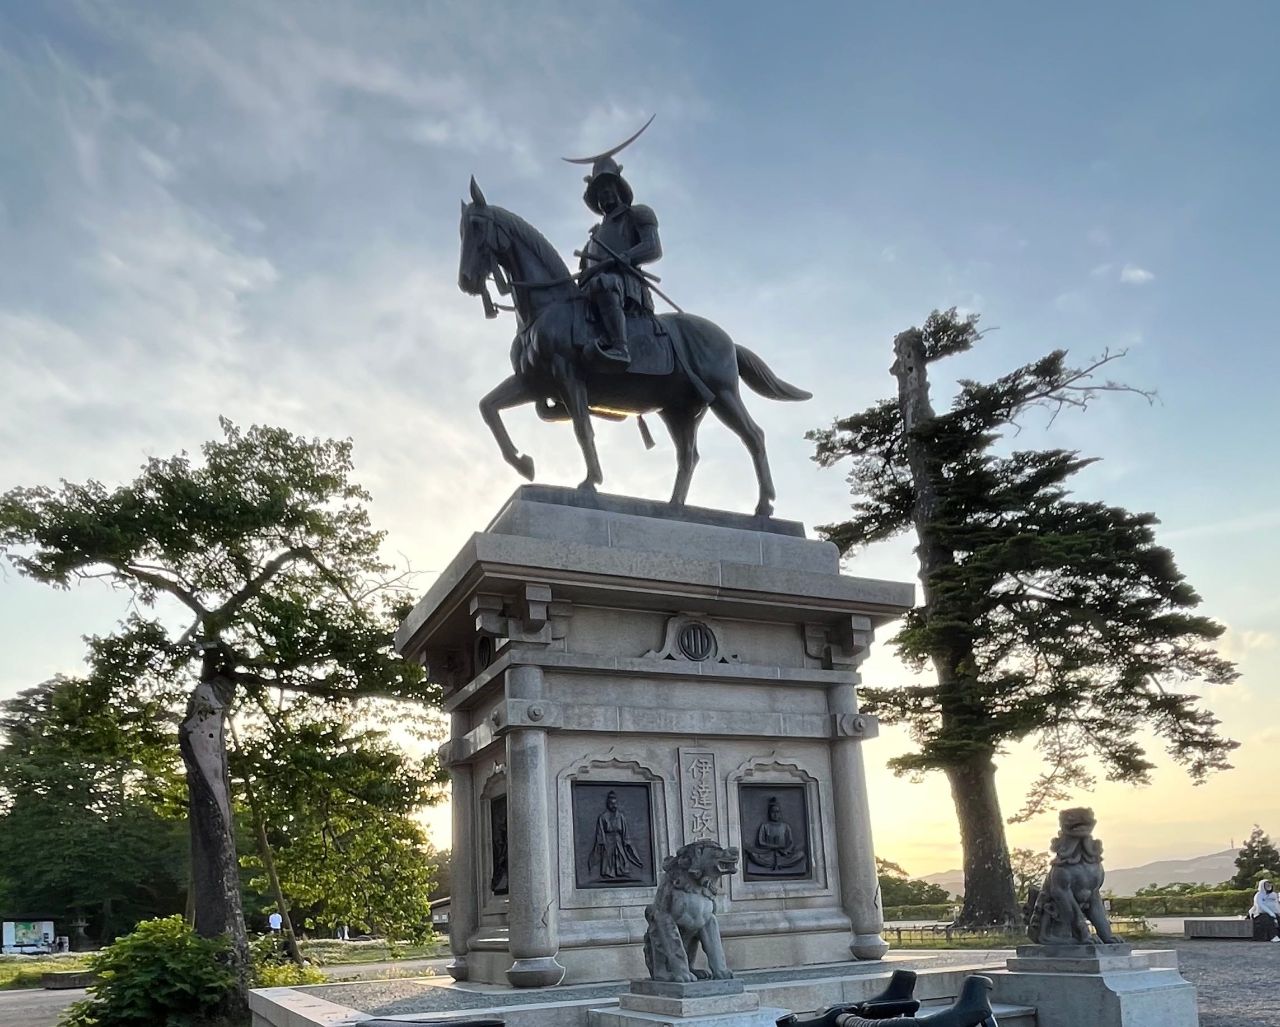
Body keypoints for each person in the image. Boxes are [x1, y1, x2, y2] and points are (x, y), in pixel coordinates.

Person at [576, 155, 662, 368]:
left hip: (626, 286)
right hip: (593, 289)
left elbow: (652, 247)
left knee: (604, 283)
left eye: (608, 188)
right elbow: (585, 272)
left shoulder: (637, 214)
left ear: (619, 188)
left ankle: (620, 347)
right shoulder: (593, 239)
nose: (604, 194)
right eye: (599, 192)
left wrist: (625, 257)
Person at [591, 790, 644, 881]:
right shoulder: (603, 817)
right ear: (608, 804)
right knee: (608, 858)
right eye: (611, 804)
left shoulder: (621, 816)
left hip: (618, 839)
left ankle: (622, 871)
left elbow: (625, 830)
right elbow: (600, 832)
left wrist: (626, 841)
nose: (614, 806)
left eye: (615, 803)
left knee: (621, 856)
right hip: (608, 840)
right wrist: (602, 842)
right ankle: (608, 873)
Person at [745, 796, 806, 873]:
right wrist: (774, 847)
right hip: (768, 854)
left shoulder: (785, 826)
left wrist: (785, 850)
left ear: (780, 813)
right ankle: (775, 864)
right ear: (769, 813)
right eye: (773, 812)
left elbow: (790, 842)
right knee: (753, 855)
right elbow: (761, 842)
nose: (775, 814)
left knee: (800, 854)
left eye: (777, 812)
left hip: (783, 854)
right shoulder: (765, 826)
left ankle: (779, 864)